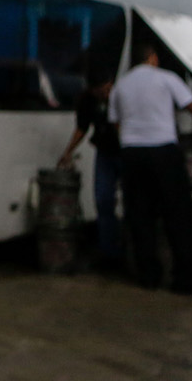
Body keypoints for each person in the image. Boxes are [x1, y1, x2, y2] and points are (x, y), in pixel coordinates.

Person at [109, 44, 192, 295]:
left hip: (132, 155)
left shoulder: (120, 86)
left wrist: (132, 140)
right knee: (178, 216)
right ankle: (185, 279)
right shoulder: (166, 78)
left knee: (140, 216)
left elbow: (116, 123)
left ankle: (148, 276)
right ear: (153, 58)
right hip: (163, 153)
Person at [57, 71, 121, 268]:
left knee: (134, 201)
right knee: (103, 199)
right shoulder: (87, 101)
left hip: (127, 151)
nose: (103, 94)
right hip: (105, 151)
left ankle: (128, 247)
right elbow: (82, 127)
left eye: (106, 89)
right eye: (99, 91)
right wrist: (68, 151)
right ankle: (108, 251)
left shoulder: (122, 95)